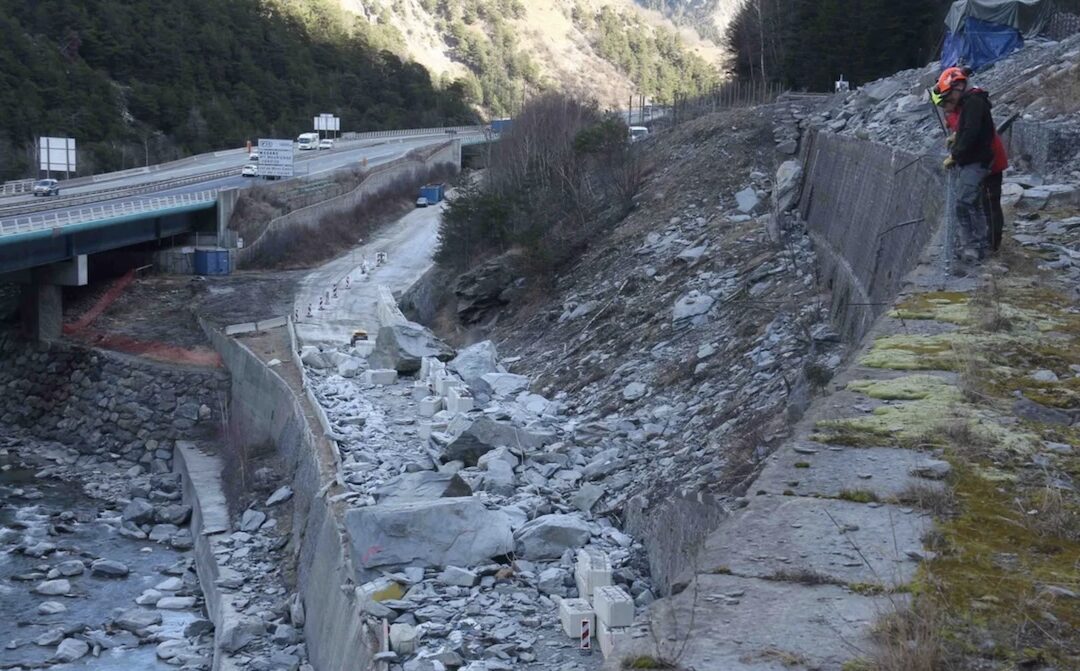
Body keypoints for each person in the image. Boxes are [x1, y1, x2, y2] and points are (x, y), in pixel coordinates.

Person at [935, 70, 1009, 254]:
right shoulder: (969, 103)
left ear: (958, 87)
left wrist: (956, 154)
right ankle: (983, 244)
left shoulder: (973, 103)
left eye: (948, 99)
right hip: (981, 159)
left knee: (986, 204)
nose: (948, 104)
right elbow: (966, 129)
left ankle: (988, 246)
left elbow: (971, 132)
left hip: (983, 161)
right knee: (978, 203)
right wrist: (956, 137)